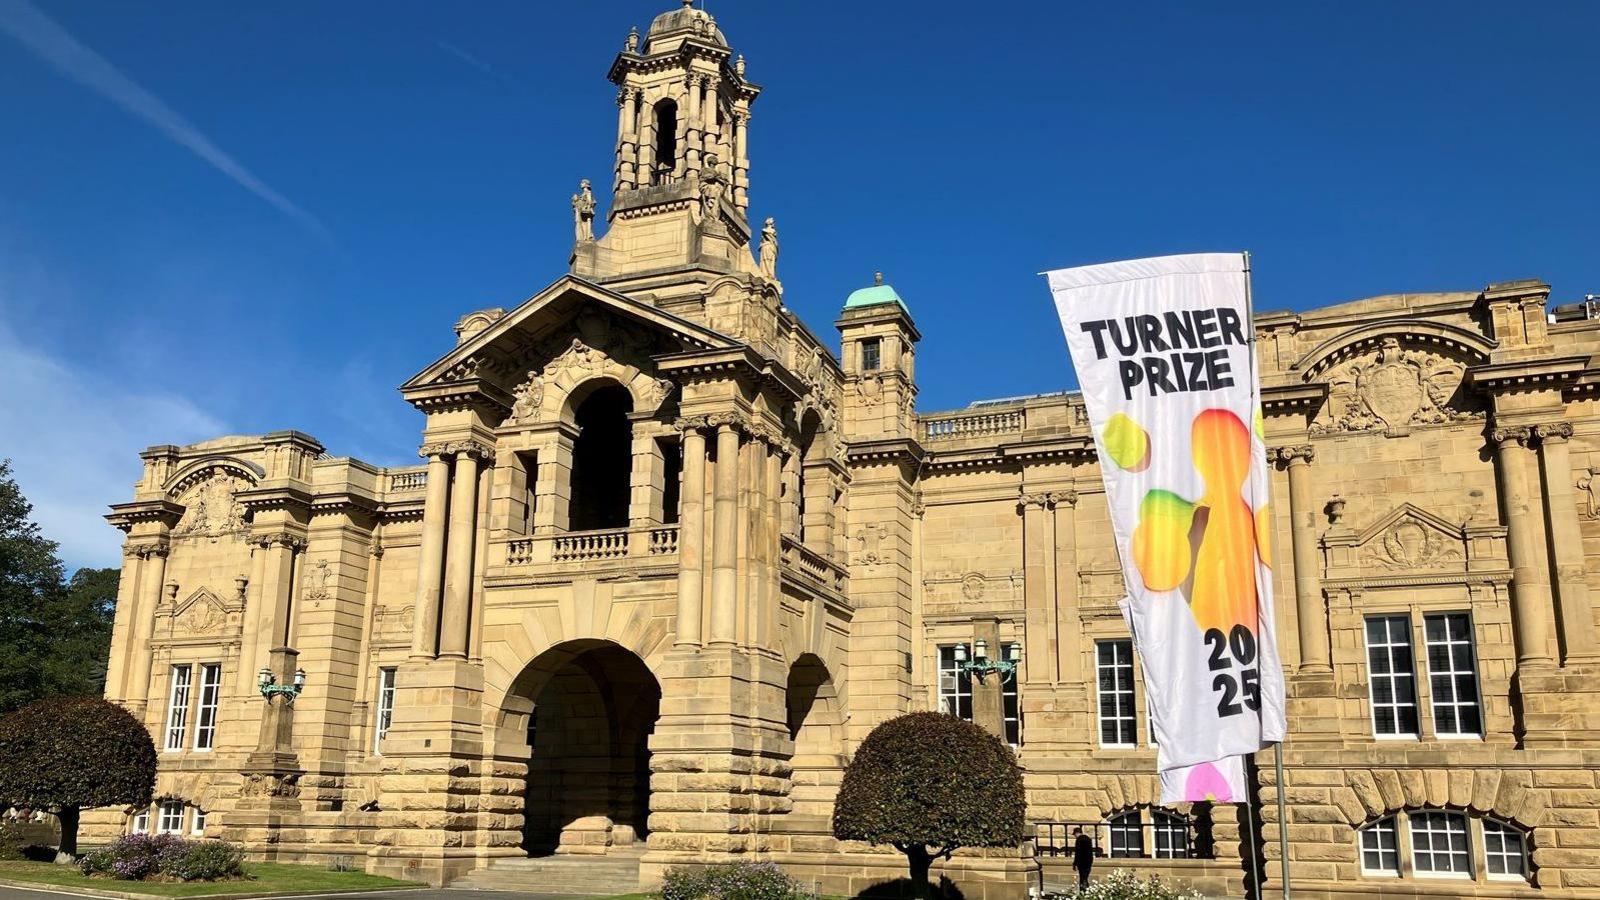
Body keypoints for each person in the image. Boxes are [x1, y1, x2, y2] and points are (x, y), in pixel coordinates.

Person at [1071, 827, 1094, 893]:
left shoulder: (1079, 840)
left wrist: (1075, 863)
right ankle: (1087, 891)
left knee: (1082, 878)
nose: (1074, 836)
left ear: (1077, 833)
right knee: (1085, 878)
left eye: (1074, 834)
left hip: (1082, 862)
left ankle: (1083, 892)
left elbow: (1078, 852)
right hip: (1089, 861)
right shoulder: (1088, 839)